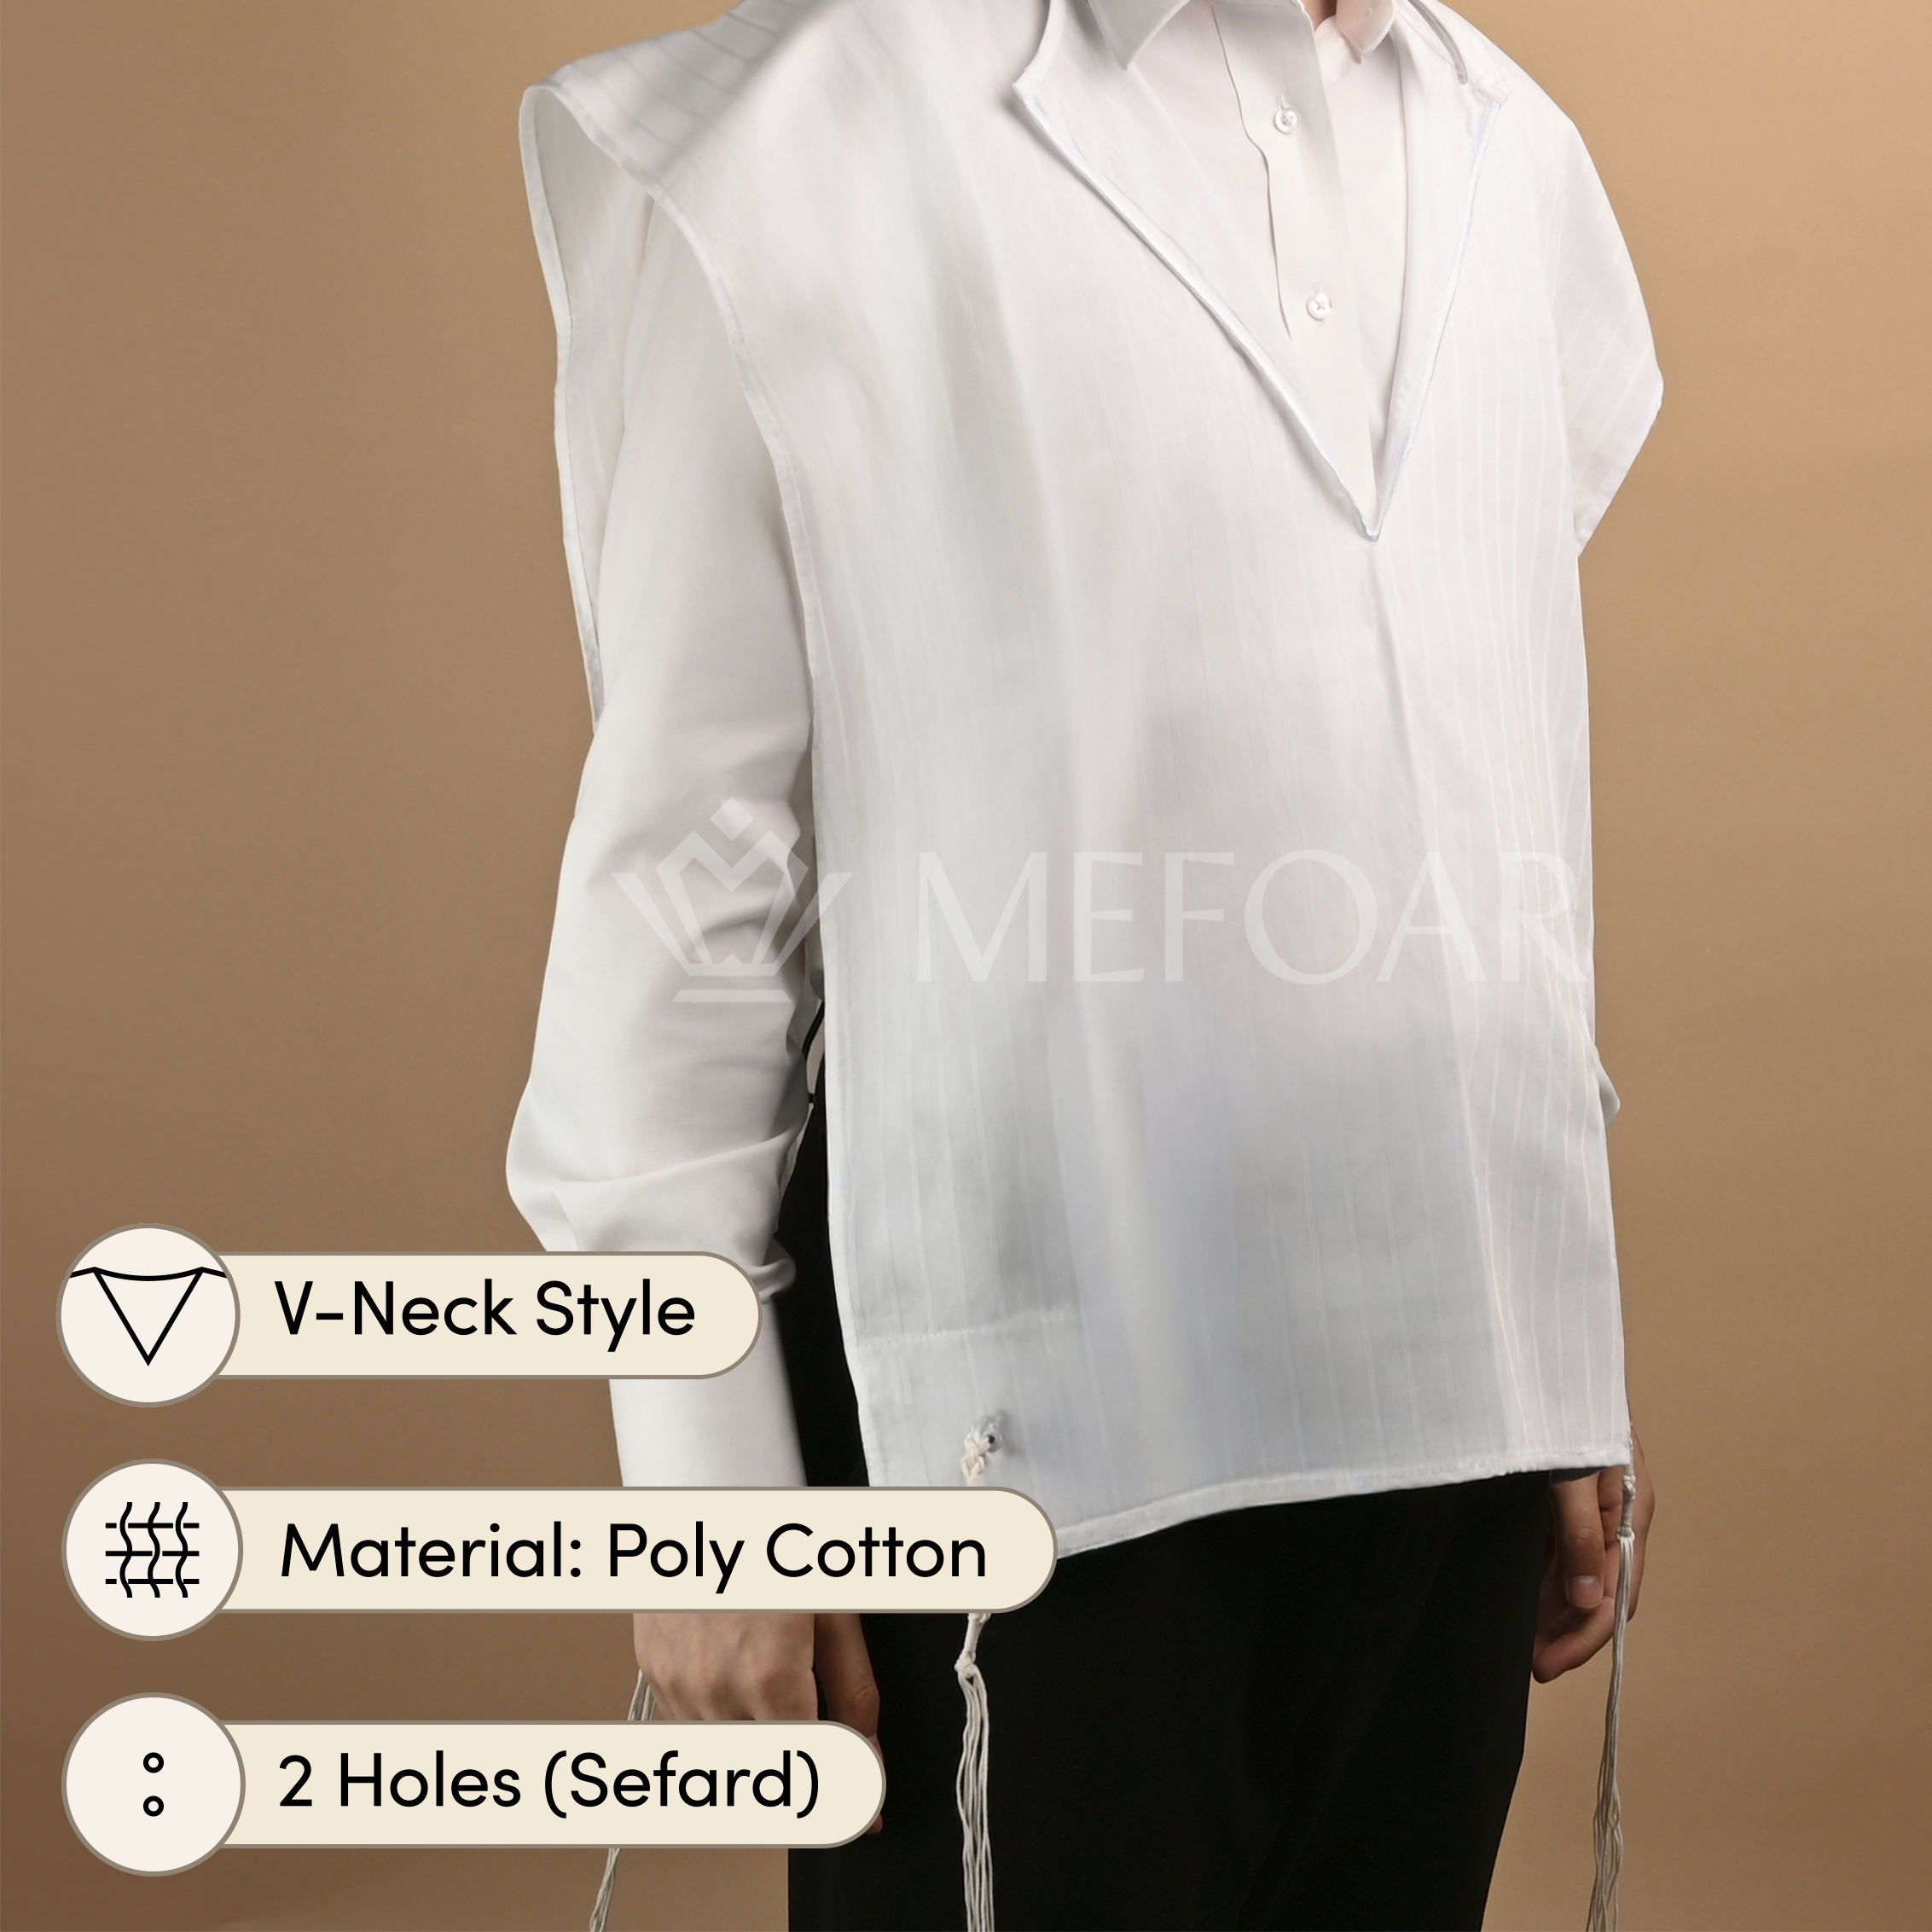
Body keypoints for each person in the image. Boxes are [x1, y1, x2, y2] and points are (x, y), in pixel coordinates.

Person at [508, 0, 1659, 1924]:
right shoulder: (810, 138)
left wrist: (1545, 1351)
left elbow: (1474, 759)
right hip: (1016, 1441)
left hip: (1442, 1431)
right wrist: (697, 1465)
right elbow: (688, 867)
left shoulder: (1508, 151)